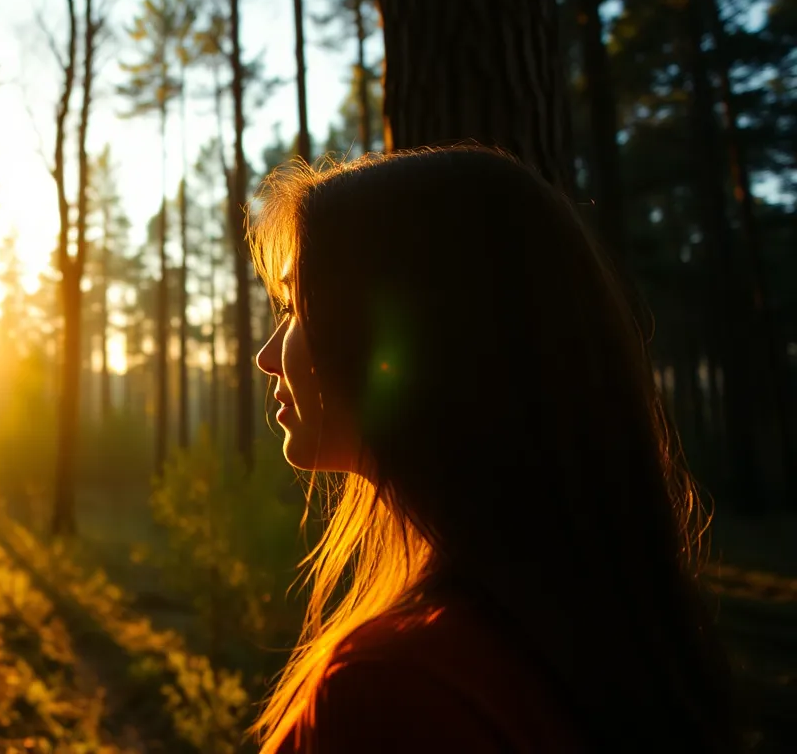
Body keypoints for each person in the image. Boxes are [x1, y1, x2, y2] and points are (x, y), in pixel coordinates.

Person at [248, 146, 738, 753]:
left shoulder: (390, 689)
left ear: (412, 337)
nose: (268, 356)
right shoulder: (615, 640)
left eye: (297, 307)